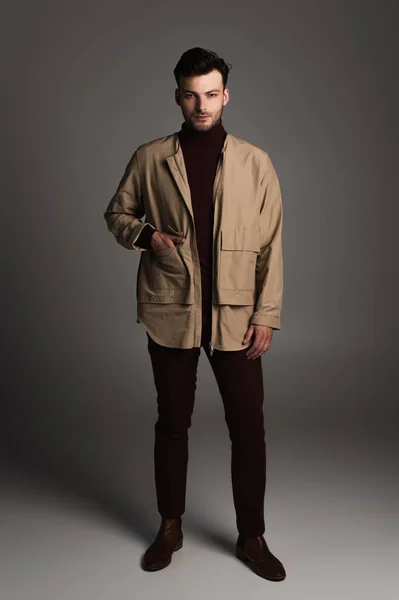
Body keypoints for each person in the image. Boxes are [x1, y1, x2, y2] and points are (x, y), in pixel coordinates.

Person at [103, 47, 286, 582]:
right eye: (191, 94)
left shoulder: (256, 162)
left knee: (249, 429)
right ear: (178, 96)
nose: (201, 105)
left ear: (225, 95)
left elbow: (273, 245)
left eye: (211, 94)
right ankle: (169, 527)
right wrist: (146, 235)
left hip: (236, 316)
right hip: (171, 310)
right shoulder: (150, 158)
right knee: (172, 424)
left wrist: (266, 314)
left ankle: (252, 535)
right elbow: (117, 212)